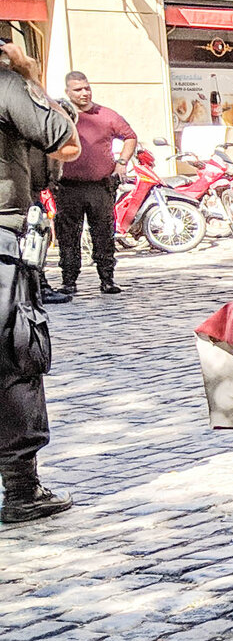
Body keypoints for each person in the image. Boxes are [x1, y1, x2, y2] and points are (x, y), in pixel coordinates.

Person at [0, 39, 73, 523]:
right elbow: (63, 135)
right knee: (14, 356)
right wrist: (23, 68)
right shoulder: (7, 82)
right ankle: (21, 490)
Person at [44, 72, 134, 304]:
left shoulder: (105, 115)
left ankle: (107, 279)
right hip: (68, 186)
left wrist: (121, 163)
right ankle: (69, 281)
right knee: (68, 236)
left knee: (104, 233)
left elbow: (129, 136)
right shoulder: (59, 115)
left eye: (86, 88)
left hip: (100, 186)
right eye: (78, 90)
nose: (84, 93)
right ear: (68, 92)